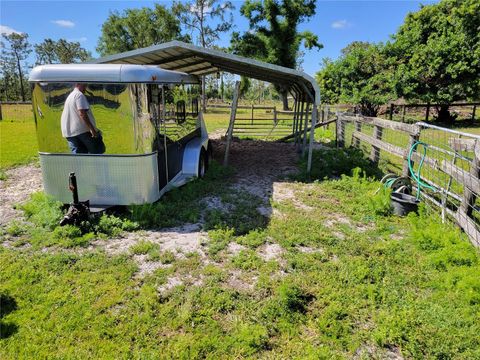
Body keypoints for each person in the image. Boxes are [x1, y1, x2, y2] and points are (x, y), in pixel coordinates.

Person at [61, 83, 105, 154]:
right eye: (84, 85)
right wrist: (92, 129)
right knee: (97, 152)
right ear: (78, 84)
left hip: (69, 132)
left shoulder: (70, 96)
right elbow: (82, 113)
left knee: (79, 158)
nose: (86, 87)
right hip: (82, 130)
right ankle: (99, 165)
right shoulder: (79, 95)